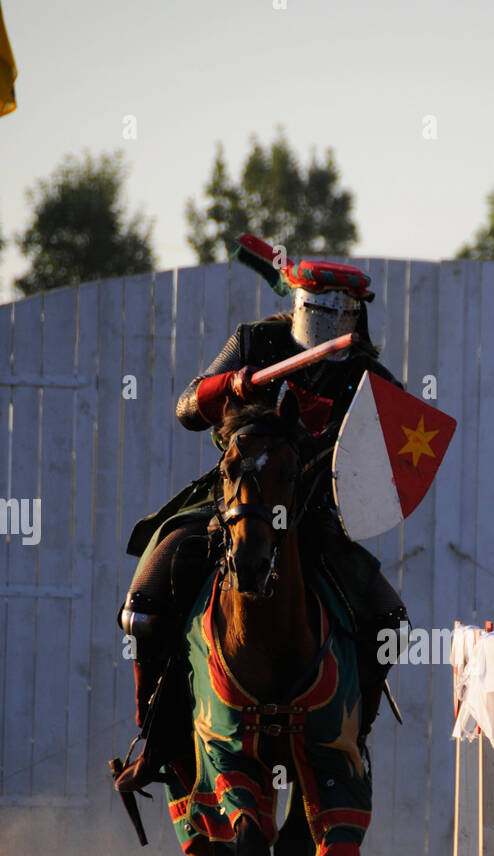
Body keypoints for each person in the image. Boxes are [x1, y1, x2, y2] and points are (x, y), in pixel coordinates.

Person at [114, 247, 408, 795]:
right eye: (313, 306)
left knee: (388, 622)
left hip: (314, 516)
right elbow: (185, 410)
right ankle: (155, 738)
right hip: (233, 503)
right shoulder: (255, 342)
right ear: (296, 303)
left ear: (354, 312)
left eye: (334, 309)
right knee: (146, 609)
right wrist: (232, 387)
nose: (321, 320)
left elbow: (391, 456)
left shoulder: (367, 375)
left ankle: (352, 738)